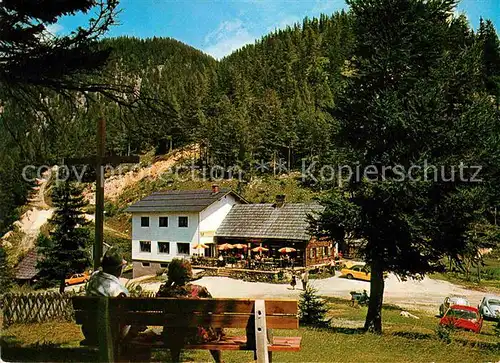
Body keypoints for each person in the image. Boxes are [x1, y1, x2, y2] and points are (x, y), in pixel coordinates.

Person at [156, 259, 224, 363]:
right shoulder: (199, 290)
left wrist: (169, 281)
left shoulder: (165, 292)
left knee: (175, 327)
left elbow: (158, 301)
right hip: (197, 335)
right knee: (210, 327)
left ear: (171, 273)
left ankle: (175, 360)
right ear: (189, 272)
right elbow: (214, 308)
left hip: (172, 335)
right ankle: (219, 361)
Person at [82, 247, 130, 345]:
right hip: (112, 334)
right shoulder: (118, 289)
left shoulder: (94, 277)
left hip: (90, 331)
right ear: (119, 269)